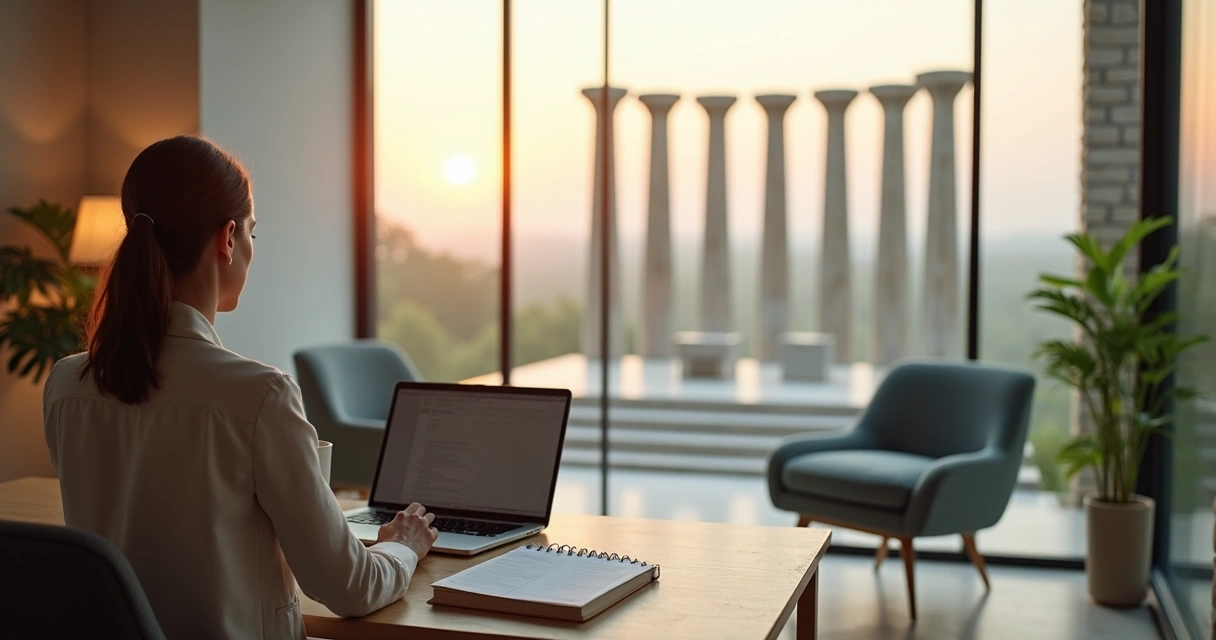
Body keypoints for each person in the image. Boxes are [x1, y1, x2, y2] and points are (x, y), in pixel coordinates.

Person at [42, 135, 437, 640]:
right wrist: (403, 544)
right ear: (228, 238)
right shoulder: (259, 395)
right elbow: (349, 588)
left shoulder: (65, 386)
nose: (251, 247)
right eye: (252, 232)